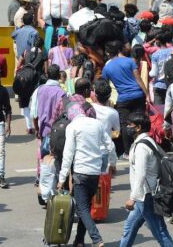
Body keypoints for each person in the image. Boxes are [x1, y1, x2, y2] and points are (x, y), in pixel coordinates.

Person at [56, 96, 116, 247]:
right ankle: (79, 241)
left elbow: (68, 155)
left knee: (82, 209)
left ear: (70, 115)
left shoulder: (72, 127)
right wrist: (112, 163)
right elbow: (110, 146)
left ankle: (97, 239)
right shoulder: (96, 124)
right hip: (95, 173)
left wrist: (62, 178)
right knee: (86, 207)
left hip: (80, 173)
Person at [120, 112, 173, 247]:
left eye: (130, 125)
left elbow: (141, 174)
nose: (127, 127)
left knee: (160, 232)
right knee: (129, 228)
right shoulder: (146, 141)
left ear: (138, 127)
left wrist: (132, 198)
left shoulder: (141, 147)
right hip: (143, 196)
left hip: (146, 197)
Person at [102, 40, 149, 155]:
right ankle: (141, 147)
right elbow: (138, 79)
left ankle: (127, 152)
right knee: (140, 122)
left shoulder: (107, 68)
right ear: (119, 50)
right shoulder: (130, 61)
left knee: (124, 125)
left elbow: (104, 85)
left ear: (108, 53)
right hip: (138, 95)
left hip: (123, 99)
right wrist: (147, 94)